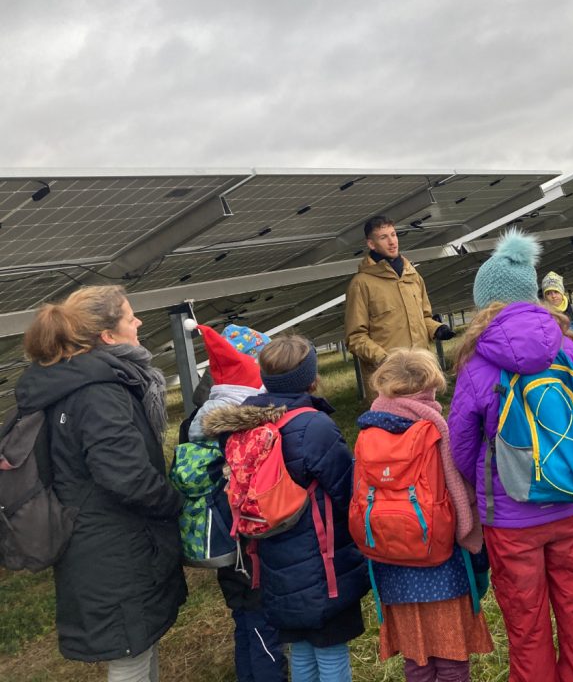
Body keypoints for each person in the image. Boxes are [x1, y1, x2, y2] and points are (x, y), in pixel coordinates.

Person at [448, 230, 573, 682]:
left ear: (486, 303)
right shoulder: (568, 347)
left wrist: (491, 485)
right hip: (571, 498)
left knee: (527, 625)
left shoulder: (477, 363)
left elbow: (461, 446)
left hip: (510, 515)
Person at [16, 285, 187, 682]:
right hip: (114, 547)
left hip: (96, 539)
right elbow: (125, 477)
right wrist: (173, 502)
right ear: (107, 336)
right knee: (130, 654)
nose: (139, 322)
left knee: (138, 644)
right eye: (130, 317)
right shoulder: (97, 393)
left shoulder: (66, 382)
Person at [205, 336, 370, 682]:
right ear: (312, 379)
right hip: (321, 559)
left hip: (272, 558)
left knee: (300, 646)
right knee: (330, 647)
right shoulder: (314, 426)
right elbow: (346, 492)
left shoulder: (245, 425)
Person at [357, 348, 493, 681]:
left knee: (416, 660)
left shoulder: (366, 435)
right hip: (442, 563)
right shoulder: (437, 431)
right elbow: (462, 495)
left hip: (391, 565)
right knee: (452, 657)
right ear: (429, 387)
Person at [181, 322, 288, 682]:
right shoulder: (249, 425)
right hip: (252, 543)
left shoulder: (196, 422)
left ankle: (249, 673)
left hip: (226, 543)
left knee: (244, 618)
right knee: (263, 623)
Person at [344, 216, 455, 397]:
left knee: (426, 422)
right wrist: (384, 358)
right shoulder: (362, 284)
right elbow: (355, 337)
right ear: (371, 244)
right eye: (383, 237)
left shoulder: (412, 275)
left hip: (421, 370)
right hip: (389, 378)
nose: (392, 241)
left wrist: (437, 329)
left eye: (393, 235)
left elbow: (424, 317)